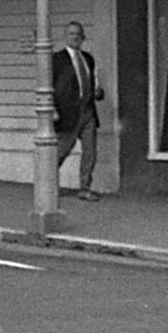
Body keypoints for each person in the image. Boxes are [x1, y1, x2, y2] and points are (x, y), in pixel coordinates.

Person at [50, 20, 104, 200]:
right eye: (71, 34)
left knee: (90, 151)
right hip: (67, 112)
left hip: (88, 110)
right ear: (65, 37)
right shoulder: (57, 59)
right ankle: (48, 185)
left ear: (83, 38)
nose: (75, 37)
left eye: (78, 34)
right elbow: (49, 86)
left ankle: (85, 187)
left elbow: (94, 81)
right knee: (62, 150)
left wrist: (98, 92)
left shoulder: (88, 58)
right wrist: (53, 109)